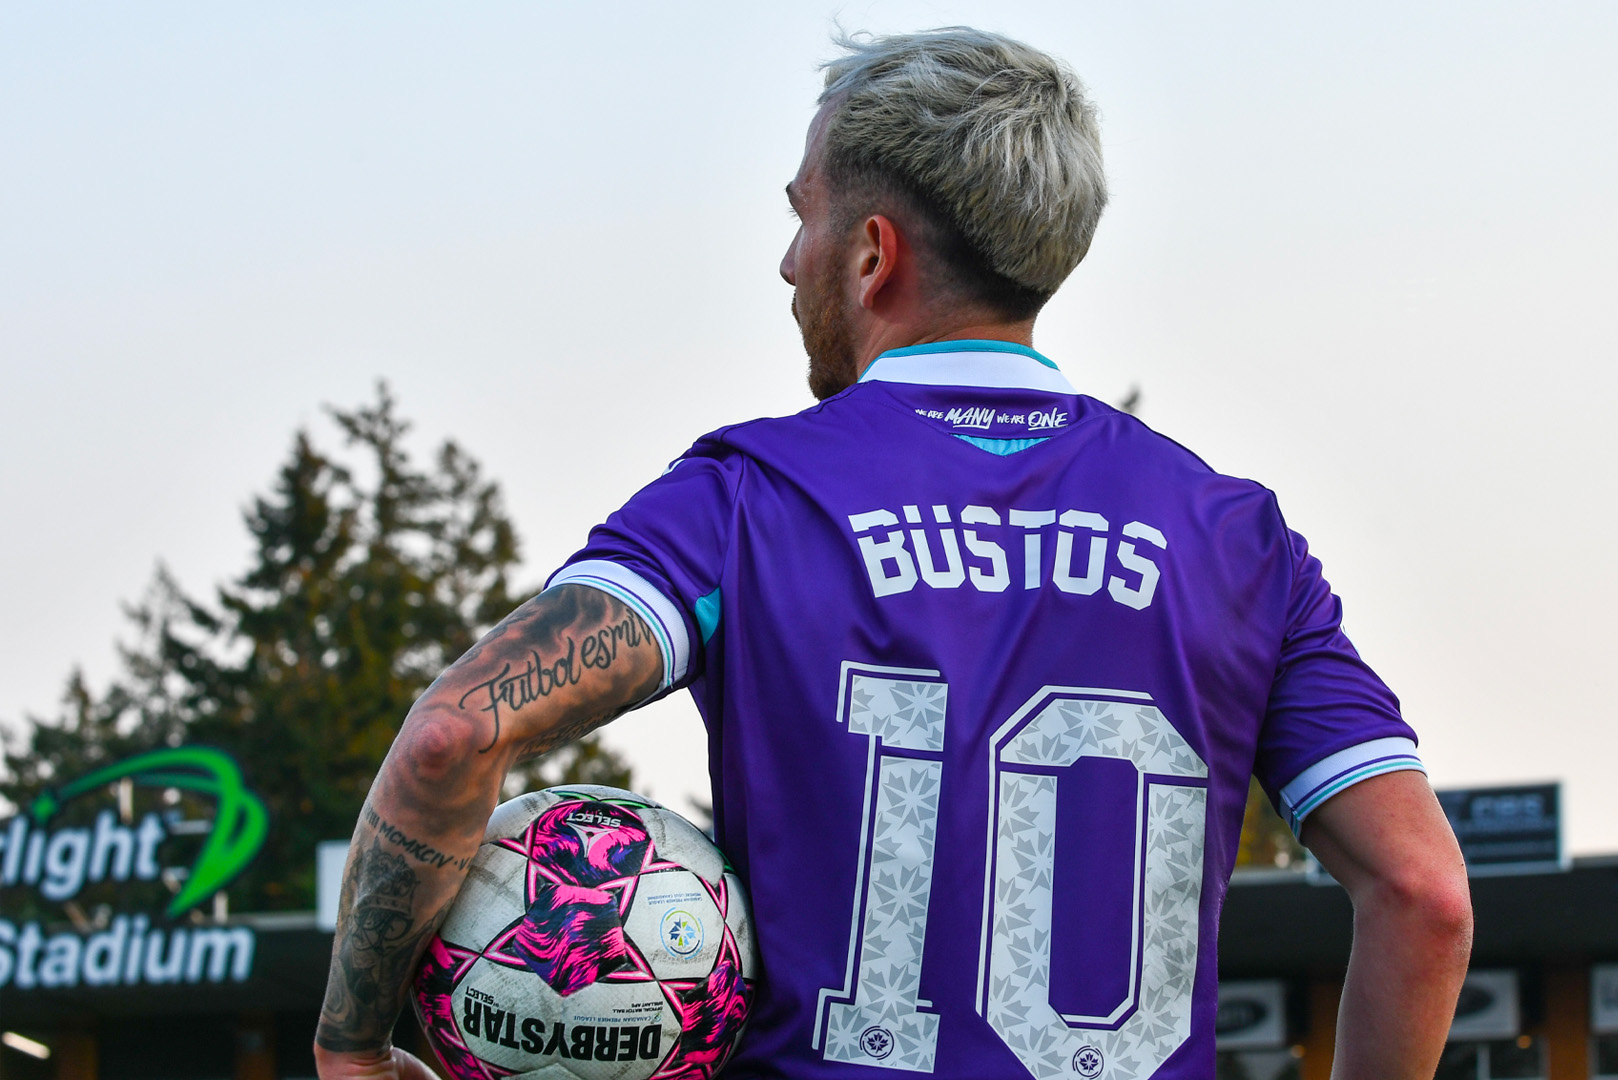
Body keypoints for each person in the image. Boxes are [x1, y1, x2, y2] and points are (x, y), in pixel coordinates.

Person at [315, 27, 1472, 1080]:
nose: (787, 262)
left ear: (872, 254)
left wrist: (353, 1042)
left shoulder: (747, 500)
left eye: (801, 214)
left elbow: (458, 731)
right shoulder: (1236, 536)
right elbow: (1422, 894)